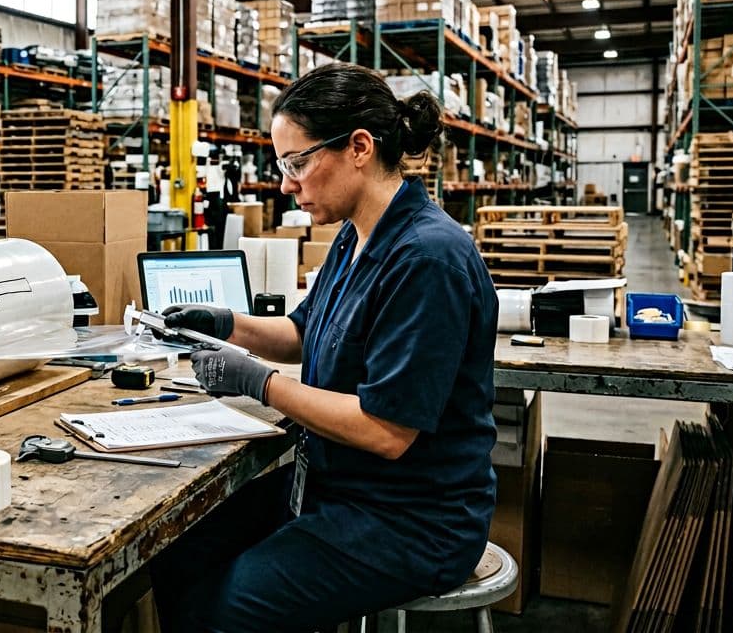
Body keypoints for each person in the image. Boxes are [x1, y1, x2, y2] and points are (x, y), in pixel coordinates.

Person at [150, 63, 498, 632]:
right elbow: (304, 331)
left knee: (221, 609)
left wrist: (257, 382)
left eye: (297, 163)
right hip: (339, 486)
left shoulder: (427, 259)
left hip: (411, 520)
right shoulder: (355, 235)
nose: (287, 184)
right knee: (176, 550)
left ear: (359, 148)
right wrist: (224, 324)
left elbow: (386, 431)